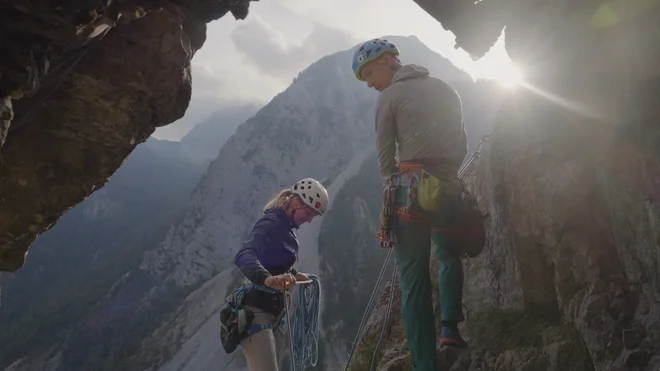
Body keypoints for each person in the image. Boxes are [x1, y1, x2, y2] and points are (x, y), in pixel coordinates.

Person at [351, 38, 469, 370]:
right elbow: (461, 143)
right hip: (449, 188)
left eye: (370, 72)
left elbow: (385, 159)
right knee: (448, 256)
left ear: (389, 60)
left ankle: (425, 364)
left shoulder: (389, 97)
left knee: (413, 281)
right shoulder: (446, 88)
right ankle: (450, 329)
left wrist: (395, 191)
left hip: (411, 194)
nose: (370, 83)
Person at [229, 177, 329, 371]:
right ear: (295, 203)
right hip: (257, 313)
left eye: (313, 216)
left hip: (275, 315)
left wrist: (293, 274)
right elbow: (245, 254)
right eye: (308, 213)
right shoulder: (271, 224)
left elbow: (274, 262)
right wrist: (268, 279)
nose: (309, 219)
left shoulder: (287, 229)